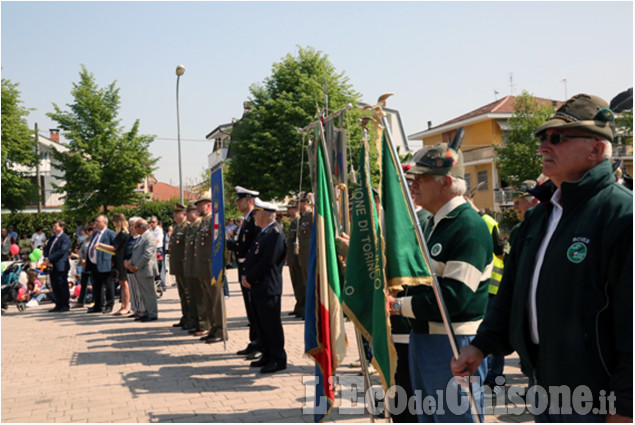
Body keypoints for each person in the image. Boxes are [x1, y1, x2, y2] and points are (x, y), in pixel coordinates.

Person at [451, 94, 633, 422]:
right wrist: (481, 346)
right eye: (543, 138)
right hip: (546, 388)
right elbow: (511, 298)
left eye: (557, 138)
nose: (543, 147)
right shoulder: (539, 218)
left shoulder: (622, 215)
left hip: (601, 401)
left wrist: (624, 407)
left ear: (596, 149)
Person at [388, 143, 493, 422]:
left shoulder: (468, 226)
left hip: (452, 341)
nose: (414, 184)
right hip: (426, 338)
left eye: (422, 178)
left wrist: (398, 305)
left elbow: (455, 298)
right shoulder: (436, 223)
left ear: (447, 181)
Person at [241, 199, 287, 374]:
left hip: (268, 286)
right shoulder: (264, 232)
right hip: (259, 285)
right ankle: (268, 355)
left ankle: (278, 358)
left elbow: (267, 261)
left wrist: (250, 278)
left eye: (255, 214)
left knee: (271, 325)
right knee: (262, 323)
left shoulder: (275, 233)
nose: (254, 217)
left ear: (262, 215)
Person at [228, 186, 262, 358]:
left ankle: (259, 344)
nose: (237, 203)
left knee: (255, 308)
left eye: (240, 199)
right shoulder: (247, 220)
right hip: (243, 268)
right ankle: (253, 340)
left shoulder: (255, 219)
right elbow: (241, 245)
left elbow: (255, 247)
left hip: (250, 269)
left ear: (249, 201)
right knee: (250, 308)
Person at [194, 196, 225, 344]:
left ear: (208, 205)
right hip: (203, 266)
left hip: (212, 265)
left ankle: (221, 329)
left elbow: (218, 243)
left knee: (216, 300)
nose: (198, 208)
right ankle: (213, 328)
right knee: (208, 300)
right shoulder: (203, 222)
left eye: (200, 205)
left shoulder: (214, 220)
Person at [97, 213, 131, 316]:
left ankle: (126, 306)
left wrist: (100, 246)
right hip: (118, 259)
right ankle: (123, 305)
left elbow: (114, 248)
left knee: (124, 283)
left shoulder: (123, 234)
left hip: (121, 260)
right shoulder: (121, 233)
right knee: (122, 283)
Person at [125, 219, 158, 322]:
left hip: (146, 269)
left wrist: (137, 266)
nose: (134, 229)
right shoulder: (142, 237)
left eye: (136, 227)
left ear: (141, 227)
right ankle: (146, 311)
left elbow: (147, 254)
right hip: (140, 270)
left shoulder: (149, 237)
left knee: (149, 293)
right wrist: (131, 262)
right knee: (143, 293)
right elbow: (137, 252)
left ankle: (152, 313)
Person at [85, 215, 116, 314]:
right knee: (97, 286)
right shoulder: (95, 234)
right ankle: (98, 305)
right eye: (96, 221)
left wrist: (102, 246)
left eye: (98, 221)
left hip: (105, 263)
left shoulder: (110, 233)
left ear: (104, 223)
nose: (96, 223)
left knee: (108, 286)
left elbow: (115, 247)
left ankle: (109, 305)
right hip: (94, 264)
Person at [42, 220, 72, 312]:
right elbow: (47, 248)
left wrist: (50, 259)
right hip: (52, 265)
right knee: (55, 285)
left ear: (62, 227)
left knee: (62, 285)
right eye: (54, 226)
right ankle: (58, 304)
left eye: (56, 226)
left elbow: (62, 251)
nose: (54, 228)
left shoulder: (65, 238)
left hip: (61, 265)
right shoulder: (52, 237)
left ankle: (65, 305)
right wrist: (46, 258)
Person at [169, 203, 190, 328]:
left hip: (184, 264)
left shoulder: (186, 227)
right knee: (182, 293)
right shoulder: (177, 227)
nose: (174, 214)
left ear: (184, 214)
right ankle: (185, 317)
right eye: (174, 212)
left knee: (187, 293)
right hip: (178, 265)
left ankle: (189, 318)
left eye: (177, 213)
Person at [285, 199, 305, 318]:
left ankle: (303, 308)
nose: (288, 210)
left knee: (301, 284)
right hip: (293, 258)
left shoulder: (299, 221)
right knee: (296, 284)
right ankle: (299, 306)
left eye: (290, 208)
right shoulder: (293, 222)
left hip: (298, 258)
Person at [123, 217, 144, 319]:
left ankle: (141, 310)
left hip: (136, 267)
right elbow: (125, 251)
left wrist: (131, 262)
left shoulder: (141, 238)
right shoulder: (129, 238)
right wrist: (124, 261)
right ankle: (135, 309)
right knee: (132, 289)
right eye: (130, 225)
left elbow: (139, 253)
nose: (131, 228)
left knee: (139, 289)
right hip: (128, 267)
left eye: (133, 225)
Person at [296, 192, 313, 320]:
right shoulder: (302, 217)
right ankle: (309, 310)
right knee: (306, 283)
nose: (297, 205)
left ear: (305, 203)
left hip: (310, 256)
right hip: (304, 256)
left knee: (311, 283)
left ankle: (313, 311)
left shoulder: (311, 215)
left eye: (299, 202)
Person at [508, 179, 539, 247]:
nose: (514, 207)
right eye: (514, 203)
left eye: (518, 202)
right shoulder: (517, 231)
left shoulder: (549, 228)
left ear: (535, 201)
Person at [73, 224, 94, 308]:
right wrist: (81, 260)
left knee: (93, 283)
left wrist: (87, 260)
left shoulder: (95, 241)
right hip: (84, 265)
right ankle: (81, 300)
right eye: (87, 231)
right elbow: (81, 251)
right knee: (83, 283)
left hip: (92, 264)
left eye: (89, 230)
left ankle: (94, 300)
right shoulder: (85, 241)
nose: (87, 232)